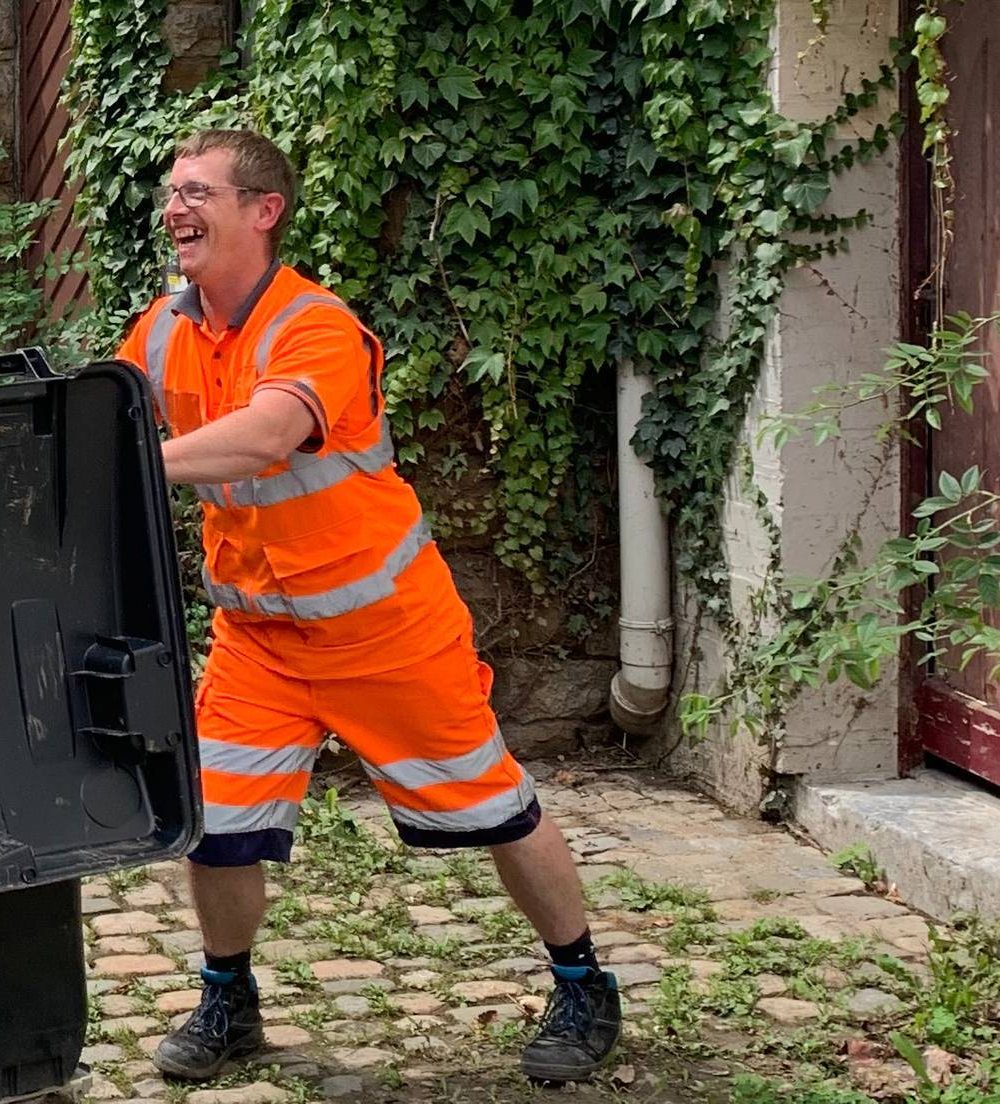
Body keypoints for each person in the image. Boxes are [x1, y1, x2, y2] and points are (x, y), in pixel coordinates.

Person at [116, 129, 621, 1084]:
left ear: (263, 211)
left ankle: (584, 981)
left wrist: (130, 460)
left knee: (495, 806)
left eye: (197, 192)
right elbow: (105, 410)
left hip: (384, 632)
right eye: (171, 191)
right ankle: (228, 998)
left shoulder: (316, 325)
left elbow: (267, 437)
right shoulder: (161, 329)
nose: (174, 208)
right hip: (259, 639)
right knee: (214, 821)